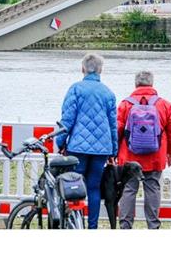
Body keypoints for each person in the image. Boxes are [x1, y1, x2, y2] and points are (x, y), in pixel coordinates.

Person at [55, 53, 117, 229]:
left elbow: (67, 120)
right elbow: (113, 125)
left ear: (82, 69)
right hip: (101, 149)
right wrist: (113, 151)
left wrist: (61, 143)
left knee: (75, 186)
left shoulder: (75, 89)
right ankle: (92, 227)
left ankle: (76, 224)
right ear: (100, 70)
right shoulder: (108, 93)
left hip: (78, 147)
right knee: (94, 188)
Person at [116, 70, 171, 229]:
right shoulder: (164, 105)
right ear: (152, 84)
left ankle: (125, 225)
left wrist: (113, 152)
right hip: (155, 155)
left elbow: (117, 129)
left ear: (136, 84)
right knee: (153, 188)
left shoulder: (125, 104)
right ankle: (153, 226)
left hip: (129, 156)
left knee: (128, 189)